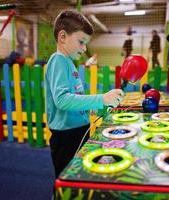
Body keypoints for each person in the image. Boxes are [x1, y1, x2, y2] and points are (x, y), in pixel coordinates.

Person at [45, 10, 124, 182]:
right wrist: (101, 98)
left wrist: (100, 106)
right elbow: (62, 100)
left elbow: (76, 98)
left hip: (78, 131)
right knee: (67, 180)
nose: (85, 48)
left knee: (79, 176)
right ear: (63, 37)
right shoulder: (58, 61)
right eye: (81, 42)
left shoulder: (69, 63)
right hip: (66, 136)